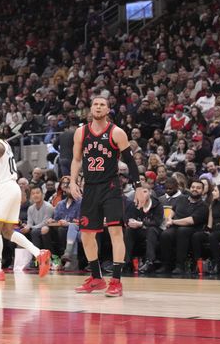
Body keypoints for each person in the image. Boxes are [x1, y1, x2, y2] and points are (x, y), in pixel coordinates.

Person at [70, 96, 142, 297]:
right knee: (86, 234)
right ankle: (96, 278)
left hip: (111, 187)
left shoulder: (117, 132)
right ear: (90, 108)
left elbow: (131, 163)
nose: (98, 107)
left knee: (116, 232)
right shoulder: (81, 132)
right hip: (90, 188)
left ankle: (116, 281)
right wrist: (73, 181)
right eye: (95, 104)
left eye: (102, 104)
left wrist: (137, 187)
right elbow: (76, 160)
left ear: (108, 109)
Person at [0, 122, 52, 281]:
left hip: (6, 188)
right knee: (7, 231)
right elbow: (1, 173)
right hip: (9, 187)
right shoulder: (4, 145)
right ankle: (39, 253)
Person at [157, 180, 208, 274]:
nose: (195, 189)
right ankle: (166, 265)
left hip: (193, 228)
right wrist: (169, 219)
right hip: (175, 225)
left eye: (198, 188)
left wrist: (173, 221)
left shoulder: (203, 205)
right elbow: (173, 210)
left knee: (182, 231)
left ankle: (180, 265)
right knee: (165, 234)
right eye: (193, 187)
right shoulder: (182, 198)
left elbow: (191, 220)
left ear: (202, 191)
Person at [124, 185, 163, 274]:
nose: (142, 194)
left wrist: (141, 223)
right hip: (140, 230)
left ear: (150, 192)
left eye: (145, 191)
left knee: (151, 230)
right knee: (129, 230)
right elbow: (127, 218)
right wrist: (130, 222)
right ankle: (126, 261)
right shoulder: (133, 204)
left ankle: (150, 262)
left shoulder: (157, 204)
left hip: (155, 231)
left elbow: (157, 222)